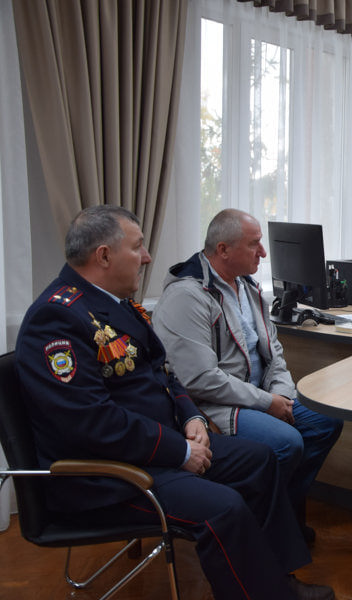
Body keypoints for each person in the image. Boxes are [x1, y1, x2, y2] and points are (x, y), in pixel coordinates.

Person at [14, 205, 334, 600]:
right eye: (138, 247)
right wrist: (179, 450)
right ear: (103, 256)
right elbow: (91, 424)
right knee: (225, 507)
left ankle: (278, 578)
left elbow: (165, 372)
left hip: (157, 446)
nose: (148, 257)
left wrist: (193, 418)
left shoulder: (116, 306)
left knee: (260, 462)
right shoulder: (57, 318)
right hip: (109, 476)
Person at [153, 209, 343, 543]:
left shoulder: (248, 287)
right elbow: (199, 380)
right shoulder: (188, 295)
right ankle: (264, 529)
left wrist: (283, 396)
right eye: (254, 244)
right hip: (214, 405)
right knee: (286, 443)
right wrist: (267, 402)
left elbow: (274, 353)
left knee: (326, 421)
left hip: (258, 396)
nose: (264, 253)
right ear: (223, 249)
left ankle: (273, 517)